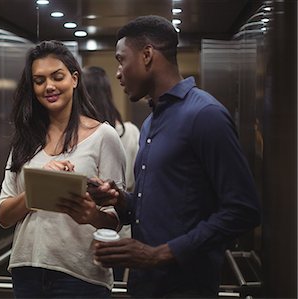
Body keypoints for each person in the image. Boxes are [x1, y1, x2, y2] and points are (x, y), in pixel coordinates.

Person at [89, 16, 262, 298]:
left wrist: (159, 254)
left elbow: (243, 210)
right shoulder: (150, 122)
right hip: (146, 287)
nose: (118, 73)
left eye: (122, 60)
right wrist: (119, 199)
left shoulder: (204, 115)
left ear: (147, 55)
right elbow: (161, 208)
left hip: (186, 289)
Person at [0, 40, 126, 298]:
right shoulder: (26, 139)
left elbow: (118, 217)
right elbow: (3, 215)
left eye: (57, 77)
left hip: (80, 274)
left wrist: (91, 215)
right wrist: (41, 187)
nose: (49, 87)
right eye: (39, 80)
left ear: (74, 79)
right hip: (27, 270)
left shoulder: (103, 136)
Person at [82, 66, 140, 281]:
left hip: (88, 230)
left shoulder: (87, 138)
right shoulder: (131, 132)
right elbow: (134, 183)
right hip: (121, 232)